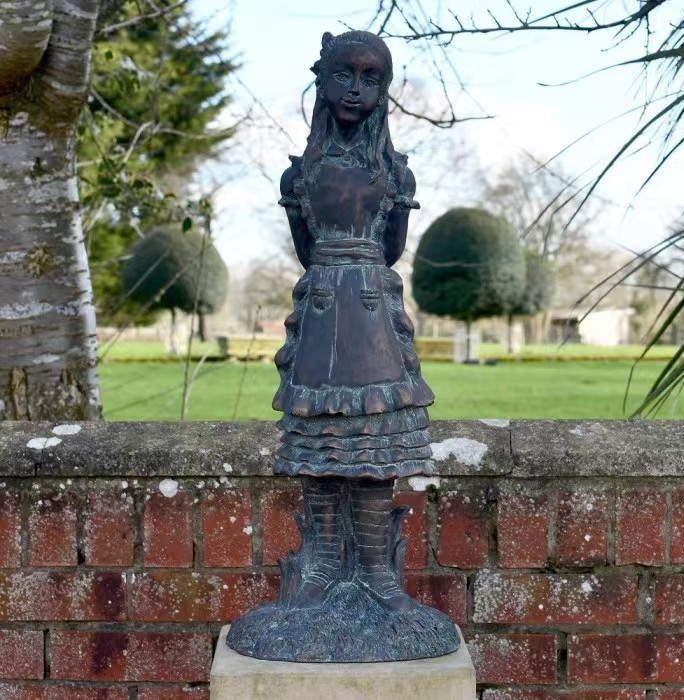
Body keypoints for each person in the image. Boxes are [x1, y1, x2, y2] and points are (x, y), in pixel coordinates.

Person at [274, 30, 435, 611]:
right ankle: (319, 567)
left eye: (372, 79)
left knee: (373, 446)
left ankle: (375, 573)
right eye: (344, 75)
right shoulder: (301, 176)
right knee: (320, 445)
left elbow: (390, 251)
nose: (356, 90)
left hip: (371, 318)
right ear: (322, 80)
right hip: (321, 315)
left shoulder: (394, 174)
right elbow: (306, 250)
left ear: (384, 91)